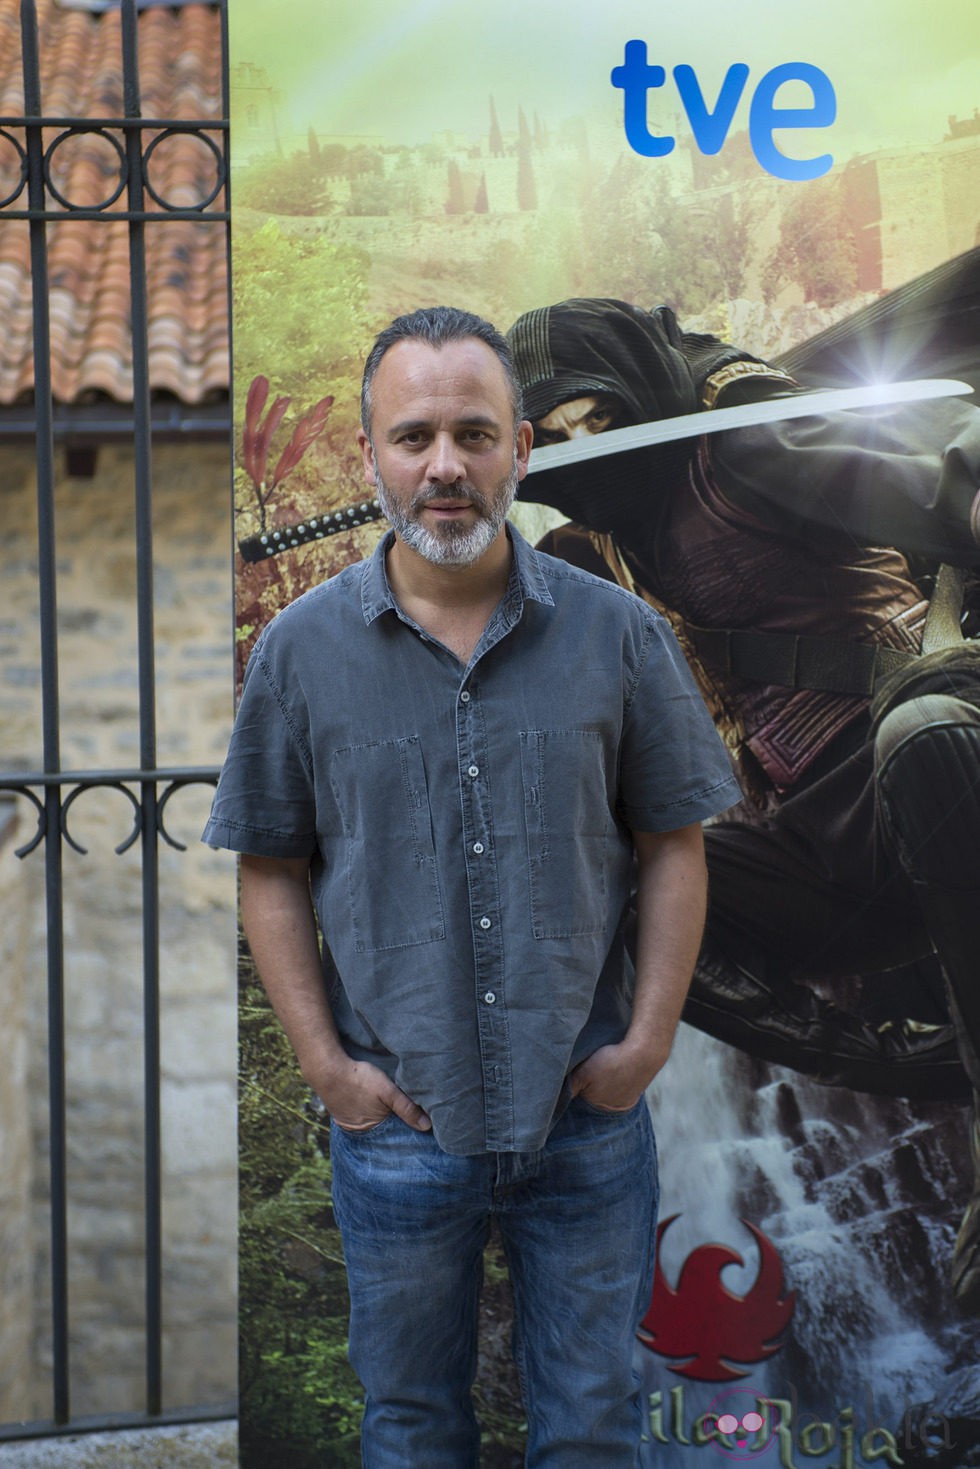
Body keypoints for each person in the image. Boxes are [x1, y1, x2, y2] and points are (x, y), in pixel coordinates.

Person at [203, 306, 741, 1467]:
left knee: (591, 1427)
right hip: (397, 1128)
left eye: (473, 433)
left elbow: (671, 844)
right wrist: (327, 1070)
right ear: (371, 458)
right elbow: (270, 867)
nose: (443, 464)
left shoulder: (619, 636)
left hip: (585, 1125)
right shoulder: (299, 653)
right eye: (412, 437)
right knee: (408, 1425)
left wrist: (646, 1042)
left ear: (521, 451)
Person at [506, 291, 980, 1313]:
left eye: (598, 413)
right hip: (828, 846)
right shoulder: (604, 537)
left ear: (638, 386)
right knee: (605, 883)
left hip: (943, 759)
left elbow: (943, 468)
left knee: (921, 736)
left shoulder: (752, 442)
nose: (584, 444)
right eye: (552, 434)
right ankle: (919, 1066)